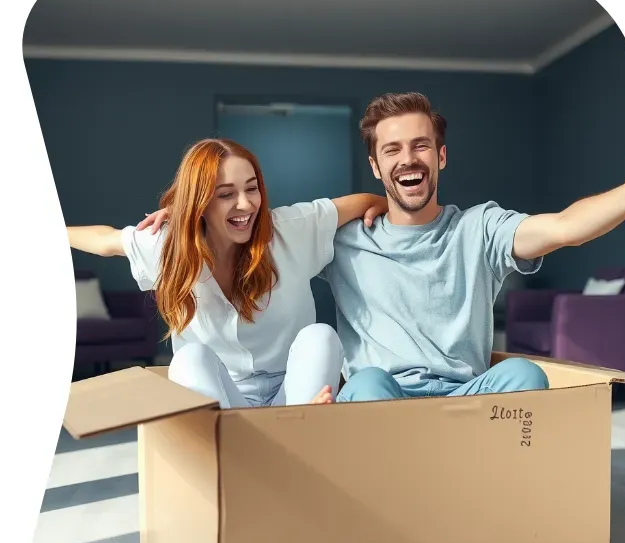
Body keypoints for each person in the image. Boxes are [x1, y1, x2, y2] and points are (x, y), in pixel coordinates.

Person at [141, 93, 625, 404]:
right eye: (392, 149)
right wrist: (188, 214)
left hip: (465, 396)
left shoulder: (480, 228)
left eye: (419, 146)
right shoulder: (347, 239)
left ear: (440, 157)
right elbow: (257, 235)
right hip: (381, 399)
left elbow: (564, 227)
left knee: (528, 375)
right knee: (366, 382)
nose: (407, 158)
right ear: (376, 166)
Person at [67, 138, 387, 408]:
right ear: (199, 203)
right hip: (223, 398)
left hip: (293, 393)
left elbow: (365, 201)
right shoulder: (170, 245)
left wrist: (378, 205)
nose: (246, 205)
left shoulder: (291, 229)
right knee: (189, 357)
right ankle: (226, 448)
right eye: (225, 194)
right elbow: (104, 241)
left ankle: (298, 437)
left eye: (252, 189)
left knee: (321, 337)